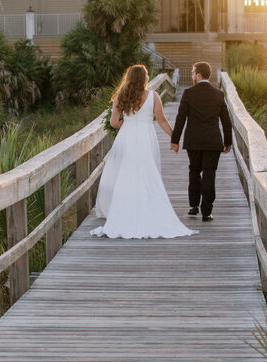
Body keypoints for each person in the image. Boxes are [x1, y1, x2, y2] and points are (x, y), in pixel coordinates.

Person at [90, 64, 196, 239]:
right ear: (144, 78)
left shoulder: (121, 96)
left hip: (127, 137)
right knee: (147, 172)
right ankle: (148, 206)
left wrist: (126, 124)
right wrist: (174, 138)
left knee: (125, 174)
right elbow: (161, 120)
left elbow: (113, 122)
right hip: (147, 138)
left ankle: (124, 209)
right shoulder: (153, 96)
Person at [170, 61, 232, 222]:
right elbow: (226, 121)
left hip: (194, 141)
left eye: (192, 73)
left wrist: (175, 140)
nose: (191, 76)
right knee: (209, 174)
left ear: (198, 75)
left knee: (194, 171)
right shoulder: (218, 94)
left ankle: (193, 206)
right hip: (213, 141)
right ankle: (207, 212)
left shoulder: (189, 93)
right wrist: (228, 141)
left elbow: (180, 118)